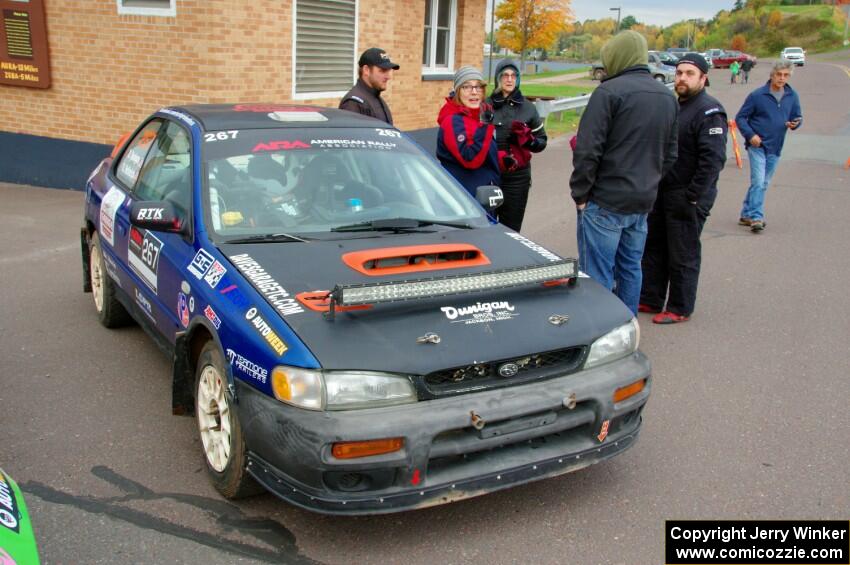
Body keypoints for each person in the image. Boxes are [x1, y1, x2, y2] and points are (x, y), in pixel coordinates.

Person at [570, 30, 679, 315]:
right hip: (641, 200)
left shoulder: (608, 92)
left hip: (605, 200)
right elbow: (670, 154)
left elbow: (587, 149)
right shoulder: (666, 96)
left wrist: (581, 194)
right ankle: (626, 325)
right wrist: (650, 181)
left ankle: (603, 332)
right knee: (631, 267)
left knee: (597, 272)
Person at [640, 54, 728, 324]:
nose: (682, 78)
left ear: (703, 78)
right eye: (679, 73)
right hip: (663, 192)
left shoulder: (709, 111)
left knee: (683, 253)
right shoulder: (676, 106)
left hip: (687, 195)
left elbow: (713, 160)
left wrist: (693, 196)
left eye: (689, 73)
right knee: (655, 248)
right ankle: (651, 297)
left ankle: (679, 307)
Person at [735, 60, 802, 232]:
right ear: (771, 75)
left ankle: (746, 214)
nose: (781, 78)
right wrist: (751, 135)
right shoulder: (757, 95)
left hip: (776, 146)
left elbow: (797, 116)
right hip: (757, 145)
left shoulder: (792, 96)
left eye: (785, 75)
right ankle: (756, 217)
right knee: (758, 181)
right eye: (778, 74)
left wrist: (795, 124)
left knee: (763, 182)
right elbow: (741, 118)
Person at [485, 59, 548, 232]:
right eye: (505, 75)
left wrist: (529, 141)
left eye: (513, 75)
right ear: (498, 78)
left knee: (511, 230)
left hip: (517, 179)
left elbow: (542, 141)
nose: (509, 79)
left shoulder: (528, 108)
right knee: (485, 225)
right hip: (490, 174)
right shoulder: (486, 105)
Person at [436, 66, 501, 197]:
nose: (474, 92)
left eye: (478, 87)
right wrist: (486, 125)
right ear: (458, 91)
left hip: (485, 196)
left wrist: (502, 159)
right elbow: (470, 159)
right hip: (464, 200)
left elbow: (484, 151)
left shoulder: (478, 117)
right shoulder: (452, 121)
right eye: (467, 87)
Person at [339, 47, 399, 125]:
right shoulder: (353, 104)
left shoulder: (375, 97)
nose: (388, 77)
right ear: (366, 70)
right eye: (383, 70)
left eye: (388, 71)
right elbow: (351, 136)